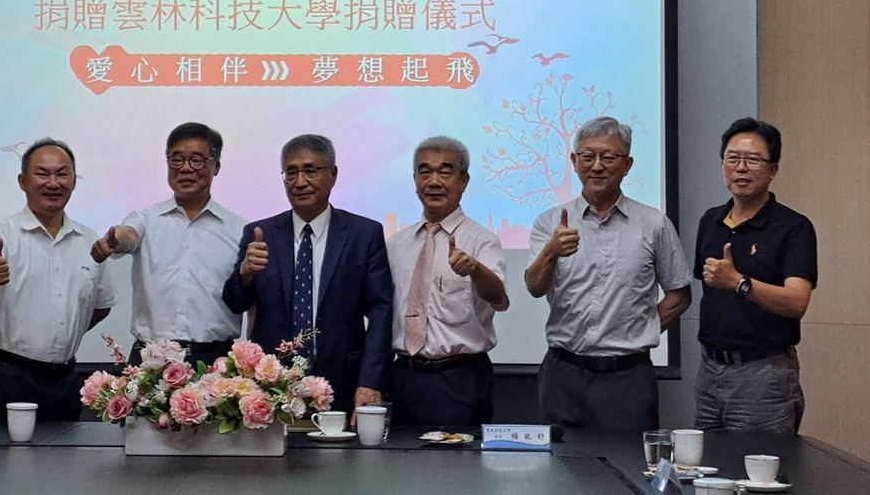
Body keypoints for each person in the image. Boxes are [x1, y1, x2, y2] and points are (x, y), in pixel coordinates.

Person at [524, 116, 691, 432]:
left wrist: (642, 328)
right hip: (564, 373)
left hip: (628, 377)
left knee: (628, 461)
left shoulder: (654, 224)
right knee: (562, 461)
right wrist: (551, 252)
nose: (597, 166)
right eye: (588, 156)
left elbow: (679, 296)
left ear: (627, 165)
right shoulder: (550, 222)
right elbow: (534, 287)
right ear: (574, 161)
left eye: (609, 157)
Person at [222, 134, 393, 419]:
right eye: (291, 173)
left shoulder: (364, 234)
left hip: (343, 381)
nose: (300, 182)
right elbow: (235, 302)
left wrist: (370, 381)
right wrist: (245, 273)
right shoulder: (260, 234)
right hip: (271, 385)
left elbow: (381, 311)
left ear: (333, 175)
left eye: (310, 171)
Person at [0, 138, 115, 422]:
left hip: (64, 380)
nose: (53, 183)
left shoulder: (89, 240)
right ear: (23, 181)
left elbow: (101, 306)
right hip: (7, 376)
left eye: (62, 174)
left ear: (74, 181)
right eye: (42, 174)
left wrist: (59, 333)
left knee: (64, 451)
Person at [694, 117, 817, 433]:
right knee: (706, 461)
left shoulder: (793, 227)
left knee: (757, 464)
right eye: (732, 158)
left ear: (773, 169)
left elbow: (797, 302)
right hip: (709, 371)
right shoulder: (710, 221)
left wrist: (739, 282)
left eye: (752, 160)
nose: (741, 168)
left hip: (762, 373)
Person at [91, 122, 246, 368]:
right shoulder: (146, 219)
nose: (185, 168)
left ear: (216, 166)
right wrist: (115, 240)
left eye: (197, 160)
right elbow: (128, 235)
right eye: (176, 159)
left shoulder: (239, 229)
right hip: (150, 359)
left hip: (214, 361)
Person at [387, 136, 509, 426]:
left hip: (459, 378)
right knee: (398, 453)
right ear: (415, 180)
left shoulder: (482, 240)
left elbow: (498, 297)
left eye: (445, 172)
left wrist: (475, 269)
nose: (434, 181)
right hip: (403, 375)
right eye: (425, 172)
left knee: (456, 455)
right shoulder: (397, 244)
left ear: (464, 181)